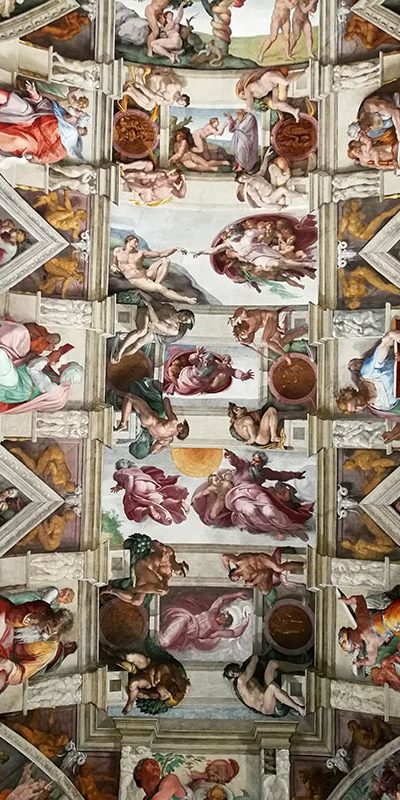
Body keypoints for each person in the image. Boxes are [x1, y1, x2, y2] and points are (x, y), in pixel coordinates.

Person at [0, 81, 87, 164]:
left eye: (77, 114)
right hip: (30, 119)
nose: (73, 112)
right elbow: (41, 104)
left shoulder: (67, 139)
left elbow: (54, 155)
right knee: (19, 105)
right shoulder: (58, 111)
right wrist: (33, 93)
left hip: (34, 142)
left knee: (16, 140)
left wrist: (39, 159)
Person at [111, 234, 196, 305]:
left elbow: (160, 254)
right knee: (161, 288)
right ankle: (186, 299)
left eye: (137, 242)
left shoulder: (140, 253)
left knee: (165, 260)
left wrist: (175, 249)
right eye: (135, 242)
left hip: (146, 274)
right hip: (137, 279)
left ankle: (157, 283)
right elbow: (114, 264)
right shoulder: (118, 251)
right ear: (128, 241)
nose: (137, 244)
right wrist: (114, 268)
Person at [159, 591, 250, 652]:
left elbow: (234, 633)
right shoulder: (213, 611)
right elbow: (221, 599)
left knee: (168, 642)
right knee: (182, 620)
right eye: (224, 614)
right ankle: (163, 640)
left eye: (225, 618)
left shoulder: (218, 630)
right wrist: (236, 595)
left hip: (189, 633)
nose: (222, 615)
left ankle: (163, 640)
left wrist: (245, 623)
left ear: (225, 623)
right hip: (188, 622)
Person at [336, 330, 400, 416]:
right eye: (356, 409)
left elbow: (382, 349)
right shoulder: (379, 406)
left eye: (356, 403)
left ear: (354, 394)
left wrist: (390, 337)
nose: (360, 407)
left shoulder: (367, 374)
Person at [111, 458, 189, 526]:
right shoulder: (137, 470)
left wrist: (128, 494)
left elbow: (129, 478)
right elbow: (124, 482)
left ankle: (148, 510)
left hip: (138, 485)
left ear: (119, 468)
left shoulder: (119, 473)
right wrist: (118, 487)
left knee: (133, 510)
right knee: (160, 500)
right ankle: (177, 503)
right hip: (151, 484)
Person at [110, 302, 195, 363]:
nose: (183, 321)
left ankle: (120, 356)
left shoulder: (174, 330)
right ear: (184, 312)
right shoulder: (170, 308)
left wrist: (150, 307)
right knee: (141, 331)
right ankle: (120, 351)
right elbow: (154, 304)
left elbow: (156, 323)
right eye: (185, 318)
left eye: (185, 322)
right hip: (146, 315)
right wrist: (149, 305)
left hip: (151, 329)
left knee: (137, 345)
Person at [223, 656, 306, 716]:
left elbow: (255, 657)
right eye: (233, 674)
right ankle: (298, 708)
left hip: (266, 693)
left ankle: (303, 668)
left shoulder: (246, 677)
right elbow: (255, 659)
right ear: (233, 678)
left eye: (234, 669)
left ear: (237, 666)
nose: (236, 673)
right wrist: (249, 660)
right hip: (265, 706)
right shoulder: (240, 681)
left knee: (272, 664)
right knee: (272, 687)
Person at [115, 388, 189, 452]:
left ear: (181, 431)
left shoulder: (174, 422)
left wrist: (165, 393)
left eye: (182, 425)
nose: (181, 423)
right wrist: (162, 447)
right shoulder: (168, 440)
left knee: (129, 397)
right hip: (145, 424)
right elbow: (152, 451)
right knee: (130, 399)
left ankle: (123, 423)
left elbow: (167, 408)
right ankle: (117, 395)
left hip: (150, 417)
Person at [338, 594, 400, 668]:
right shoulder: (360, 618)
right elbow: (359, 599)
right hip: (392, 612)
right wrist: (348, 601)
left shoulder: (370, 644)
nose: (357, 647)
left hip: (393, 619)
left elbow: (371, 662)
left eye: (354, 645)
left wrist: (360, 662)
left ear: (351, 633)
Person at [163, 347, 254, 396]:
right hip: (187, 376)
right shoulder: (201, 362)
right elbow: (192, 359)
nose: (205, 362)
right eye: (205, 360)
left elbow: (234, 372)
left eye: (227, 360)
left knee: (184, 387)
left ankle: (175, 385)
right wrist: (197, 354)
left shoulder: (221, 367)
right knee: (180, 382)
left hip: (195, 383)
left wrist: (242, 375)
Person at [229, 306, 307, 359]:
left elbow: (241, 309)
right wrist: (243, 341)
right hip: (269, 326)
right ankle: (301, 330)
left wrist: (234, 317)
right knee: (280, 344)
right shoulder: (248, 333)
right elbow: (250, 340)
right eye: (243, 334)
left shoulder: (245, 317)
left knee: (265, 341)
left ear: (240, 326)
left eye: (242, 332)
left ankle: (285, 355)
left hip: (270, 316)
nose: (245, 333)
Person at [236, 68, 306, 120]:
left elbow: (249, 101)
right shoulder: (257, 96)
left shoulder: (248, 88)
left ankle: (304, 71)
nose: (242, 94)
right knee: (275, 105)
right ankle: (293, 111)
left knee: (285, 82)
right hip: (273, 87)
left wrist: (248, 107)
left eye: (240, 93)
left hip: (268, 78)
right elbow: (255, 100)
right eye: (241, 96)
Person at [222, 549, 301, 594]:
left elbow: (224, 557)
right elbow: (262, 574)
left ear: (232, 574)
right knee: (265, 591)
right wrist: (252, 583)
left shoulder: (238, 561)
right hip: (265, 569)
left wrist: (228, 570)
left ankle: (302, 565)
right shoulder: (247, 577)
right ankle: (302, 566)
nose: (236, 579)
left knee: (278, 568)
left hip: (262, 559)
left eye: (233, 578)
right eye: (235, 580)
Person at [121, 66, 190, 112]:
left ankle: (131, 92)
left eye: (182, 105)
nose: (180, 104)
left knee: (149, 107)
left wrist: (142, 88)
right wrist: (157, 71)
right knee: (152, 100)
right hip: (155, 79)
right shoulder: (177, 86)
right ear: (183, 98)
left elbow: (155, 97)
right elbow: (169, 74)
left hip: (153, 92)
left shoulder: (170, 101)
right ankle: (132, 90)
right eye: (182, 103)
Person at [121, 165, 187, 204]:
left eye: (175, 174)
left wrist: (184, 181)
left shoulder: (171, 188)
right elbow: (145, 175)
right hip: (145, 188)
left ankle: (125, 182)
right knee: (143, 174)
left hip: (149, 198)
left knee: (147, 190)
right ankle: (126, 175)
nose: (172, 173)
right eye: (173, 171)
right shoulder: (161, 175)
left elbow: (181, 195)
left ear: (177, 179)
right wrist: (130, 174)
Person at [0, 586, 74, 609]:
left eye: (65, 596)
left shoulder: (56, 607)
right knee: (10, 599)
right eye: (64, 592)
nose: (63, 594)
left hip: (33, 609)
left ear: (65, 601)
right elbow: (43, 604)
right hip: (31, 598)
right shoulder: (54, 592)